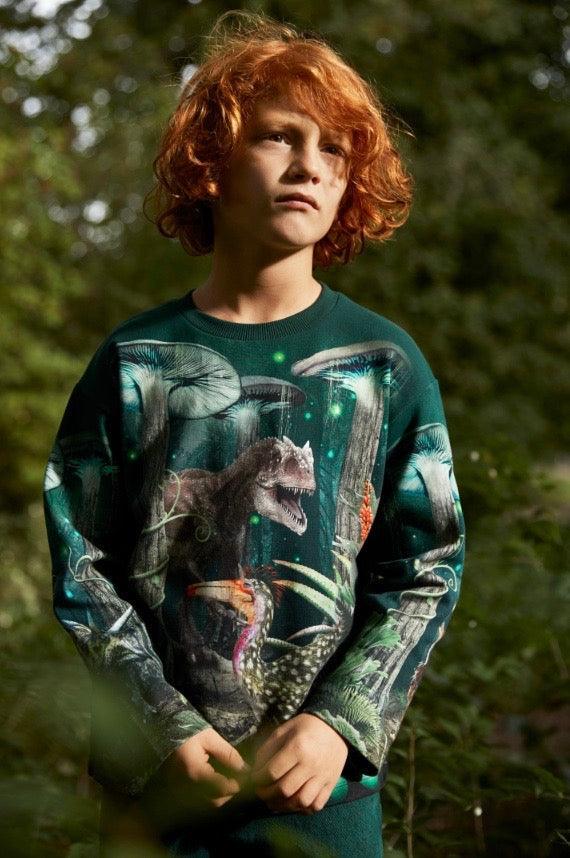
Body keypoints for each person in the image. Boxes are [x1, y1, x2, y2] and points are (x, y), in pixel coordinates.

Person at [42, 10, 466, 857]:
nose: (309, 164)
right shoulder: (135, 362)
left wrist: (340, 724)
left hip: (321, 800)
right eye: (279, 136)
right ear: (212, 161)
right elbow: (83, 561)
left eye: (334, 149)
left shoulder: (384, 366)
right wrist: (158, 722)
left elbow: (427, 569)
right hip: (160, 798)